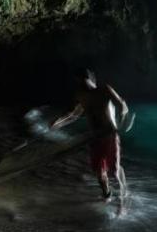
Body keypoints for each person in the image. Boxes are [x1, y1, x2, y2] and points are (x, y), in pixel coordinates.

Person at [51, 68, 129, 204]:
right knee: (100, 173)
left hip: (110, 135)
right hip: (95, 138)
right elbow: (73, 114)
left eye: (82, 80)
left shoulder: (104, 90)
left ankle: (123, 195)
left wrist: (122, 117)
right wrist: (57, 123)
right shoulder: (81, 95)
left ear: (90, 79)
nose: (80, 84)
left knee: (114, 171)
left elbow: (122, 104)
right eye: (78, 82)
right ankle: (107, 197)